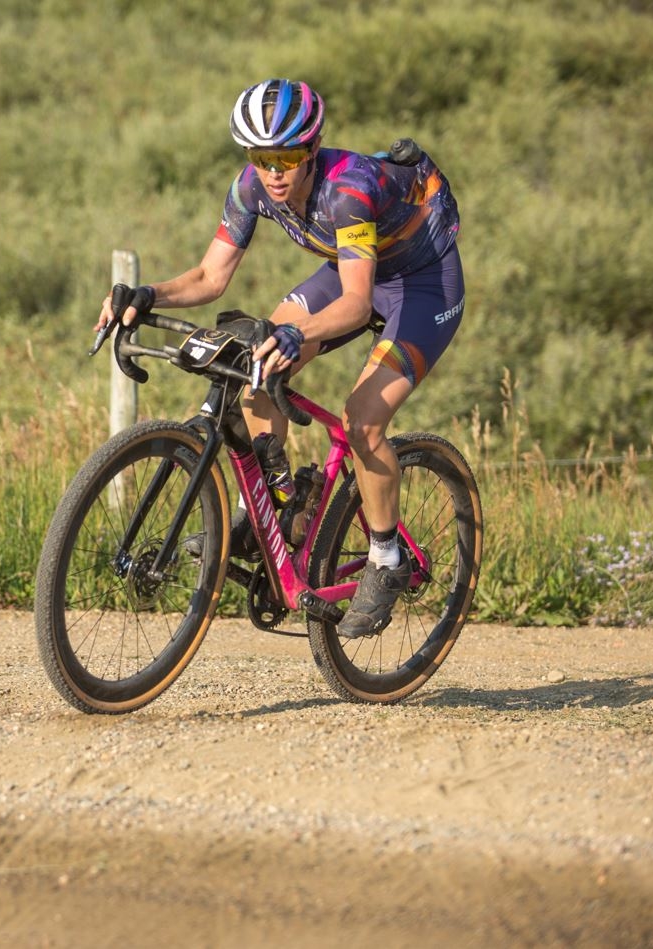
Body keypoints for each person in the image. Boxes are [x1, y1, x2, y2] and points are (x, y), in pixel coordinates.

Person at [94, 78, 464, 638]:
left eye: (288, 156)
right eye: (263, 157)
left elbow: (356, 303)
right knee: (251, 361)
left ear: (312, 149)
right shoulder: (251, 187)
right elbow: (209, 277)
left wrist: (299, 335)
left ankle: (388, 558)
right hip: (352, 267)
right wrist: (147, 295)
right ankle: (278, 508)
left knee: (363, 420)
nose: (274, 171)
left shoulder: (348, 191)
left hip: (422, 283)